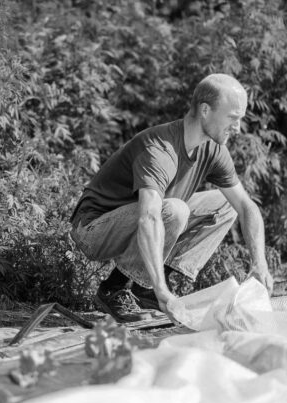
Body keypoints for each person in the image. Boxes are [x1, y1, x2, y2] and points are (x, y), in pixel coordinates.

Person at [69, 73, 272, 322]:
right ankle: (114, 290)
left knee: (225, 205)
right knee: (175, 211)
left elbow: (246, 207)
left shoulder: (214, 150)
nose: (238, 128)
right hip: (93, 229)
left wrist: (260, 264)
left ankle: (146, 290)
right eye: (233, 118)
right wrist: (163, 292)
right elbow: (150, 218)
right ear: (205, 110)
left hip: (142, 216)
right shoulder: (160, 149)